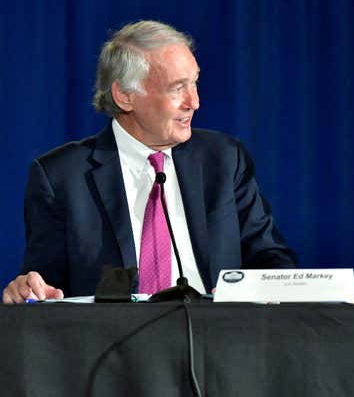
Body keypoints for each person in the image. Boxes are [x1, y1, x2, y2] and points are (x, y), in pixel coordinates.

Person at [2, 20, 296, 303]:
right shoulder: (61, 177)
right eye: (177, 88)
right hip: (113, 347)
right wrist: (30, 289)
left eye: (194, 83)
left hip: (217, 341)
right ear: (125, 96)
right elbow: (46, 288)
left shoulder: (223, 159)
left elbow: (271, 259)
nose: (194, 102)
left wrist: (267, 294)